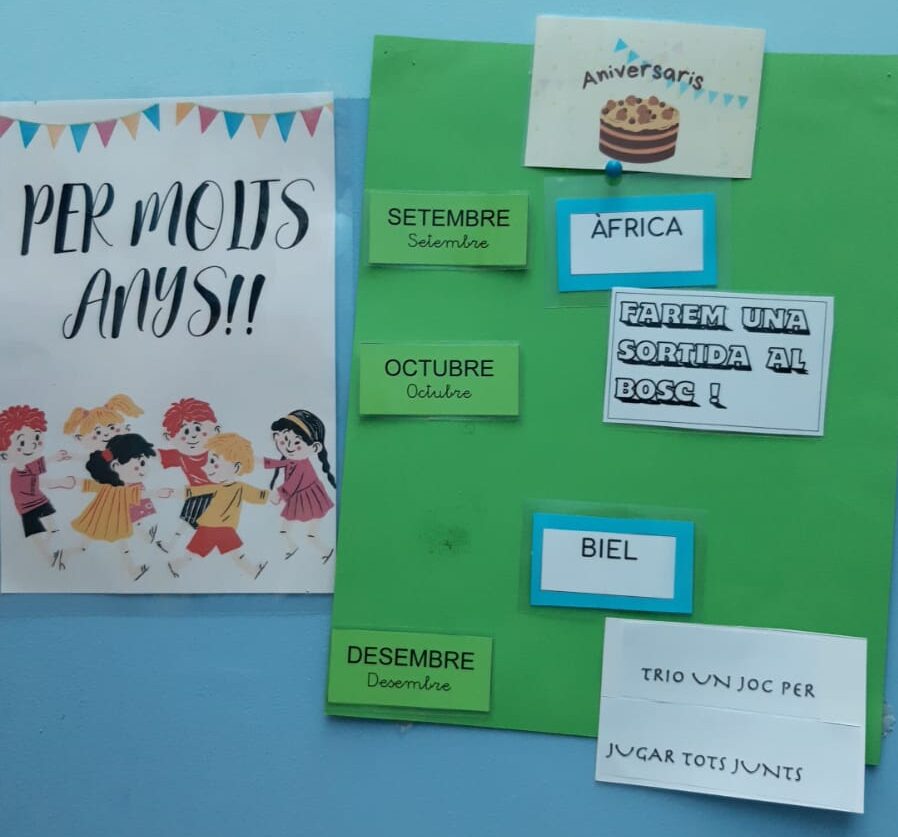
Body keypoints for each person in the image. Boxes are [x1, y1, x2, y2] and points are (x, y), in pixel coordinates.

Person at [166, 433, 269, 580]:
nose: (205, 467)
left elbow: (258, 495)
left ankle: (252, 570)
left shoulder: (240, 488)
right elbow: (193, 491)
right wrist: (173, 493)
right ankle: (174, 566)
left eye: (213, 462)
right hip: (212, 528)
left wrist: (273, 496)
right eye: (208, 461)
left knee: (233, 554)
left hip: (221, 528)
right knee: (199, 554)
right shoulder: (216, 488)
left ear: (236, 467)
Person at [70, 433, 172, 581]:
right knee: (102, 540)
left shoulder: (121, 487)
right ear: (116, 466)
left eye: (144, 463)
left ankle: (133, 565)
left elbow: (137, 495)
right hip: (107, 518)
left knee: (98, 540)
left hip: (113, 518)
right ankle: (132, 566)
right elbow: (88, 485)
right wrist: (157, 493)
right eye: (139, 465)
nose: (144, 470)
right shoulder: (115, 488)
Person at [63, 395, 157, 544]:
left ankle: (144, 535)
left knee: (132, 515)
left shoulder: (122, 446)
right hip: (113, 491)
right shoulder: (104, 454)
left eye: (112, 427)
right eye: (98, 432)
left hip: (129, 485)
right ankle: (142, 536)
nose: (106, 434)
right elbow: (88, 459)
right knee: (117, 517)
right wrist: (72, 456)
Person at [0, 405, 74, 569]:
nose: (33, 444)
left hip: (38, 501)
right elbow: (37, 468)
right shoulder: (22, 466)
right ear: (4, 455)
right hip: (27, 507)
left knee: (51, 530)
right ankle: (49, 558)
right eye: (22, 442)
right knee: (38, 535)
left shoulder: (25, 469)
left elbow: (37, 481)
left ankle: (52, 556)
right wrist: (55, 458)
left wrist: (58, 482)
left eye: (36, 437)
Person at [264, 409, 335, 562]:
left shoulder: (301, 464)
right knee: (286, 532)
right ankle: (294, 548)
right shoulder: (291, 459)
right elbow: (275, 463)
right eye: (283, 440)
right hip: (299, 499)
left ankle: (327, 551)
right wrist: (255, 461)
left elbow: (291, 485)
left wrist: (277, 495)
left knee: (310, 535)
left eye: (297, 443)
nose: (289, 447)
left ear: (314, 447)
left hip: (311, 499)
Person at [155, 397, 220, 555]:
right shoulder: (181, 456)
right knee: (187, 521)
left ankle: (184, 550)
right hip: (196, 495)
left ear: (215, 429)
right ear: (170, 437)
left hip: (215, 496)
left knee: (198, 525)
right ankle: (174, 547)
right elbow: (156, 455)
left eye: (198, 428)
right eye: (185, 431)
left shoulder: (215, 453)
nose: (193, 436)